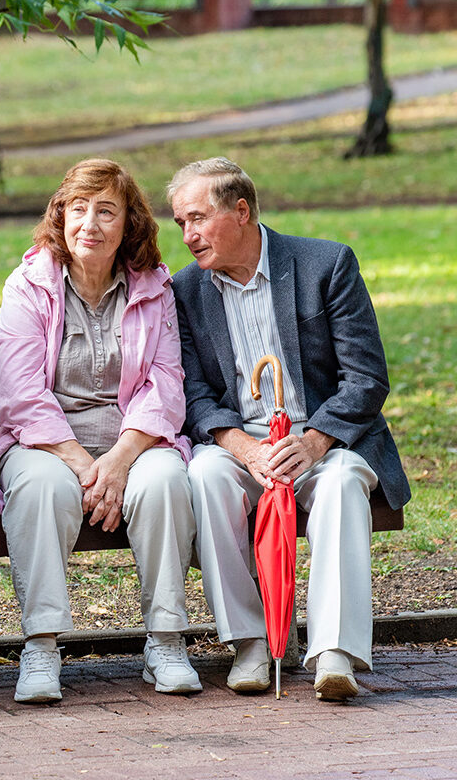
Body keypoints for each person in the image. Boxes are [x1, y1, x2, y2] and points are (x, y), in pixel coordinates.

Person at [167, 157, 411, 701]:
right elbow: (193, 396)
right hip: (241, 442)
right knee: (205, 476)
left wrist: (314, 440)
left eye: (198, 219)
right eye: (180, 222)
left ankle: (333, 652)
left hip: (325, 436)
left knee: (344, 483)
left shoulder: (326, 264)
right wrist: (243, 447)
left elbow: (366, 378)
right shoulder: (184, 290)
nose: (187, 234)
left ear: (241, 210)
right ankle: (251, 641)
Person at [0, 158, 198, 703]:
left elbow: (166, 383)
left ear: (128, 225)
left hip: (134, 440)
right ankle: (42, 647)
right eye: (78, 209)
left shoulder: (152, 288)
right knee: (41, 487)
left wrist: (118, 461)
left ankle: (166, 641)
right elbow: (19, 393)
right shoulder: (28, 286)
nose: (89, 224)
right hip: (40, 440)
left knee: (165, 481)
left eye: (105, 211)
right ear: (60, 216)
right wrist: (83, 463)